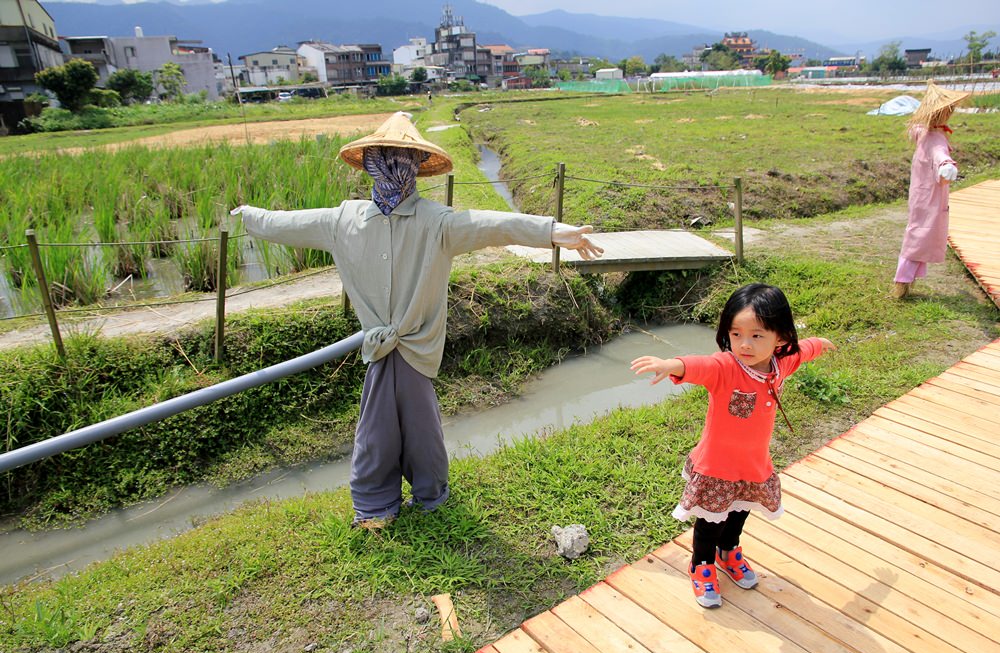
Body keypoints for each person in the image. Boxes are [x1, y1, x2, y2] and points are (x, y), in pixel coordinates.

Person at [230, 112, 603, 529]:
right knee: (378, 433)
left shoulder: (435, 222)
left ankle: (424, 496)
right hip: (380, 345)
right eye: (385, 158)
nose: (392, 167)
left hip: (417, 346)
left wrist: (553, 231)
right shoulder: (343, 220)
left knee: (417, 430)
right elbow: (284, 224)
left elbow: (494, 225)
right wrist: (249, 215)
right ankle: (381, 505)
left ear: (411, 168)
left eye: (399, 159)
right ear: (372, 164)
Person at [630, 283, 835, 608]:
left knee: (739, 513)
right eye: (736, 334)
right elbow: (700, 366)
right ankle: (701, 566)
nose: (744, 344)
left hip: (752, 466)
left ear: (779, 337)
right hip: (717, 468)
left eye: (756, 335)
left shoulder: (780, 364)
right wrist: (673, 364)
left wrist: (819, 344)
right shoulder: (726, 367)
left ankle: (729, 553)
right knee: (710, 522)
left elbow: (803, 349)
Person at [893, 81, 971, 299]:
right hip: (930, 196)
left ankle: (906, 283)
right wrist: (947, 166)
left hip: (920, 192)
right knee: (921, 234)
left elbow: (916, 132)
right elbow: (940, 156)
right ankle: (903, 283)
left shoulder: (924, 132)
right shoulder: (936, 138)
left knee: (918, 231)